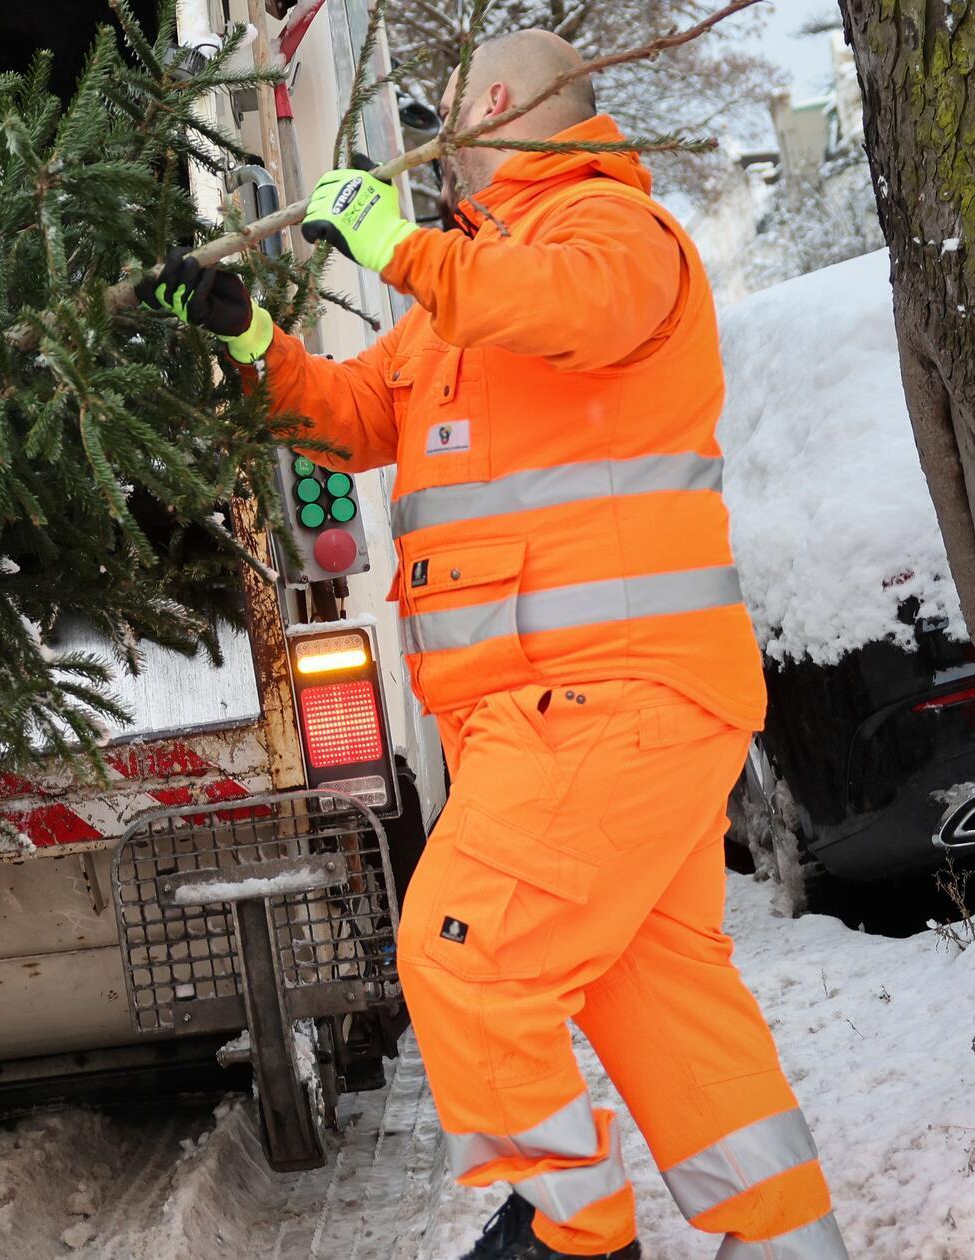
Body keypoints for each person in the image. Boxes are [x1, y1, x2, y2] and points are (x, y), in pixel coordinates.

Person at [145, 29, 847, 1260]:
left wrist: (398, 247)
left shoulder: (610, 235)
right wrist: (251, 343)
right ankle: (787, 1239)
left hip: (604, 697)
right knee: (658, 998)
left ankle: (574, 1239)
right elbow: (359, 416)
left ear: (502, 99)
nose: (441, 124)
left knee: (462, 957)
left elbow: (563, 310)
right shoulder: (459, 292)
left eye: (456, 102)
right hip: (570, 712)